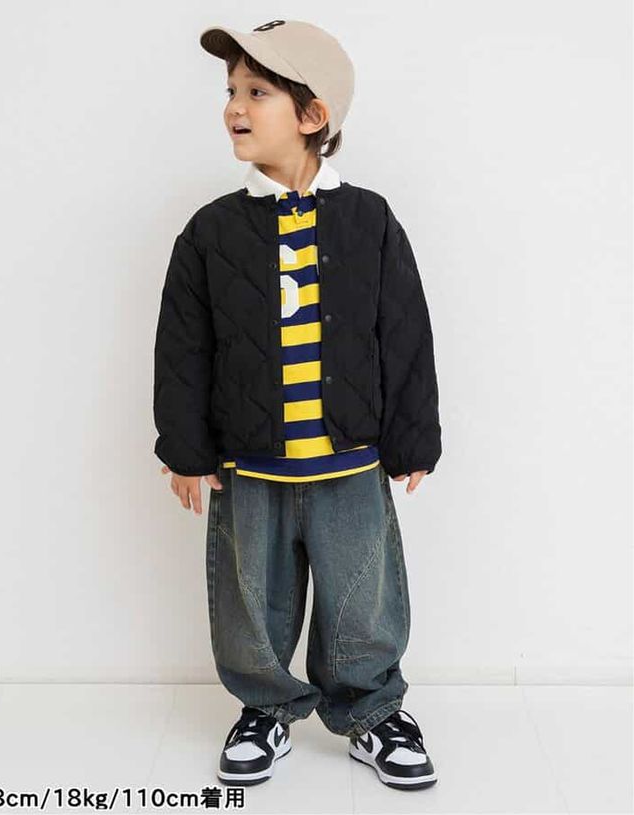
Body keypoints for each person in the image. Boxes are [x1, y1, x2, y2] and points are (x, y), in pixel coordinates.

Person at [153, 19, 442, 790]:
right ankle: (265, 705)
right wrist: (185, 449)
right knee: (251, 598)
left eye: (257, 92)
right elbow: (183, 348)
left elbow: (404, 332)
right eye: (231, 91)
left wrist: (413, 437)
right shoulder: (211, 232)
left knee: (361, 597)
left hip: (351, 458)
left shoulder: (369, 219)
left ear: (314, 114)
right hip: (249, 462)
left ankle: (373, 709)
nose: (234, 106)